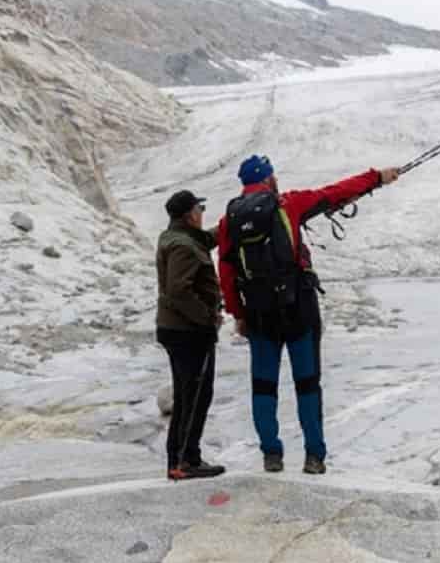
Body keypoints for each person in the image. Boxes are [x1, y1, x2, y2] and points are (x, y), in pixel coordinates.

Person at [217, 156, 400, 475]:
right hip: (298, 307)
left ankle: (271, 455)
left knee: (263, 386)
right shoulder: (289, 204)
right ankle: (314, 456)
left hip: (260, 313)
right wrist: (377, 177)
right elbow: (335, 192)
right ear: (269, 178)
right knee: (307, 383)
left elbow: (227, 272)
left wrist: (238, 314)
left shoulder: (228, 221)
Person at [156, 190, 226, 480]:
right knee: (195, 395)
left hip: (179, 329)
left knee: (188, 395)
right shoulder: (183, 246)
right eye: (199, 207)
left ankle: (182, 459)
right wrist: (207, 318)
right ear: (189, 214)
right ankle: (185, 461)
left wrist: (229, 224)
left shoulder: (175, 237)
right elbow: (178, 291)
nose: (202, 212)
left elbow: (206, 240)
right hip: (189, 332)